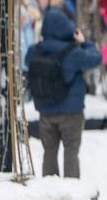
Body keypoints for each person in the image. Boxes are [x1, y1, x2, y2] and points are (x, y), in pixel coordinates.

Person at [24, 9, 102, 178]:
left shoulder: (34, 51)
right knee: (71, 151)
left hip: (45, 110)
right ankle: (71, 186)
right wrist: (84, 43)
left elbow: (27, 63)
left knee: (49, 152)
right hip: (71, 112)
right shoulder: (74, 52)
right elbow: (95, 58)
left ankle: (50, 185)